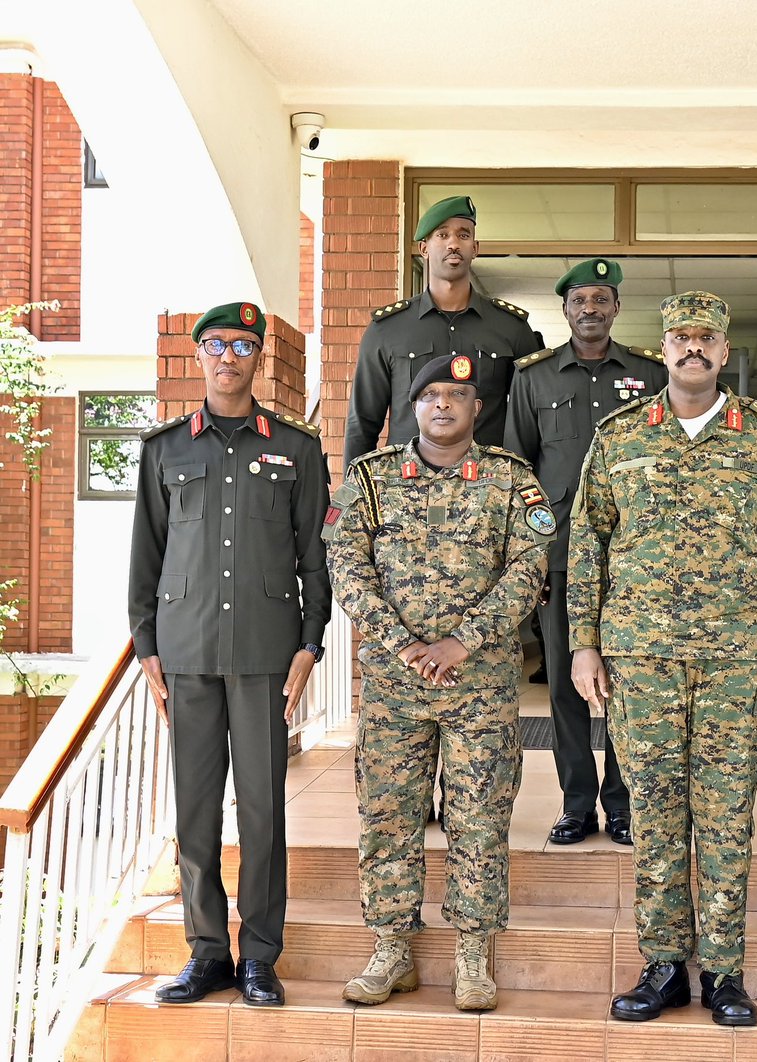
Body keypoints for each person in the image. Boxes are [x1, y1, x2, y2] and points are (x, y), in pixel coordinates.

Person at [569, 291, 757, 1027]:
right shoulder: (618, 438)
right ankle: (665, 964)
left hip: (735, 658)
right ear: (664, 349)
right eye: (681, 337)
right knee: (654, 810)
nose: (694, 348)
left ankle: (726, 971)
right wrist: (583, 643)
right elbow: (587, 545)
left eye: (707, 336)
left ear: (724, 351)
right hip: (641, 657)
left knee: (728, 812)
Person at [325, 354, 554, 1012]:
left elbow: (529, 565)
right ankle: (391, 947)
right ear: (408, 408)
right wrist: (404, 643)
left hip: (479, 687)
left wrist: (462, 641)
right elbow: (346, 565)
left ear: (476, 409)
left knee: (478, 817)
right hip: (395, 688)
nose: (444, 405)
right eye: (430, 395)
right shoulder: (369, 481)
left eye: (457, 394)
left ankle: (473, 951)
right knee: (388, 817)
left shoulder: (511, 480)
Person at [128, 301, 332, 1008]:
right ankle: (207, 951)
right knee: (193, 810)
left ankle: (260, 958)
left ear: (258, 358)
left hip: (266, 656)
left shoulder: (297, 449)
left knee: (262, 812)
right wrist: (145, 644)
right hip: (185, 653)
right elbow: (145, 558)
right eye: (215, 344)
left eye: (242, 345)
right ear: (198, 356)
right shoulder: (165, 449)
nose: (227, 356)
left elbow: (315, 556)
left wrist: (311, 642)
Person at [505, 257, 667, 847]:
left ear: (617, 307)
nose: (591, 309)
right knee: (566, 685)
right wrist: (531, 556)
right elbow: (518, 472)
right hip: (561, 556)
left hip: (634, 560)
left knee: (627, 682)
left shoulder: (651, 376)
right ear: (566, 309)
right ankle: (577, 803)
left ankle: (621, 804)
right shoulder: (535, 378)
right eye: (579, 300)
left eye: (602, 299)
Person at [344, 194, 541, 468]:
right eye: (442, 234)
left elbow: (532, 420)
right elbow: (362, 423)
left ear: (475, 247)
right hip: (404, 491)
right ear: (424, 247)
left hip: (488, 491)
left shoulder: (511, 328)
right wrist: (356, 495)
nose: (453, 244)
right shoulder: (387, 330)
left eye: (463, 235)